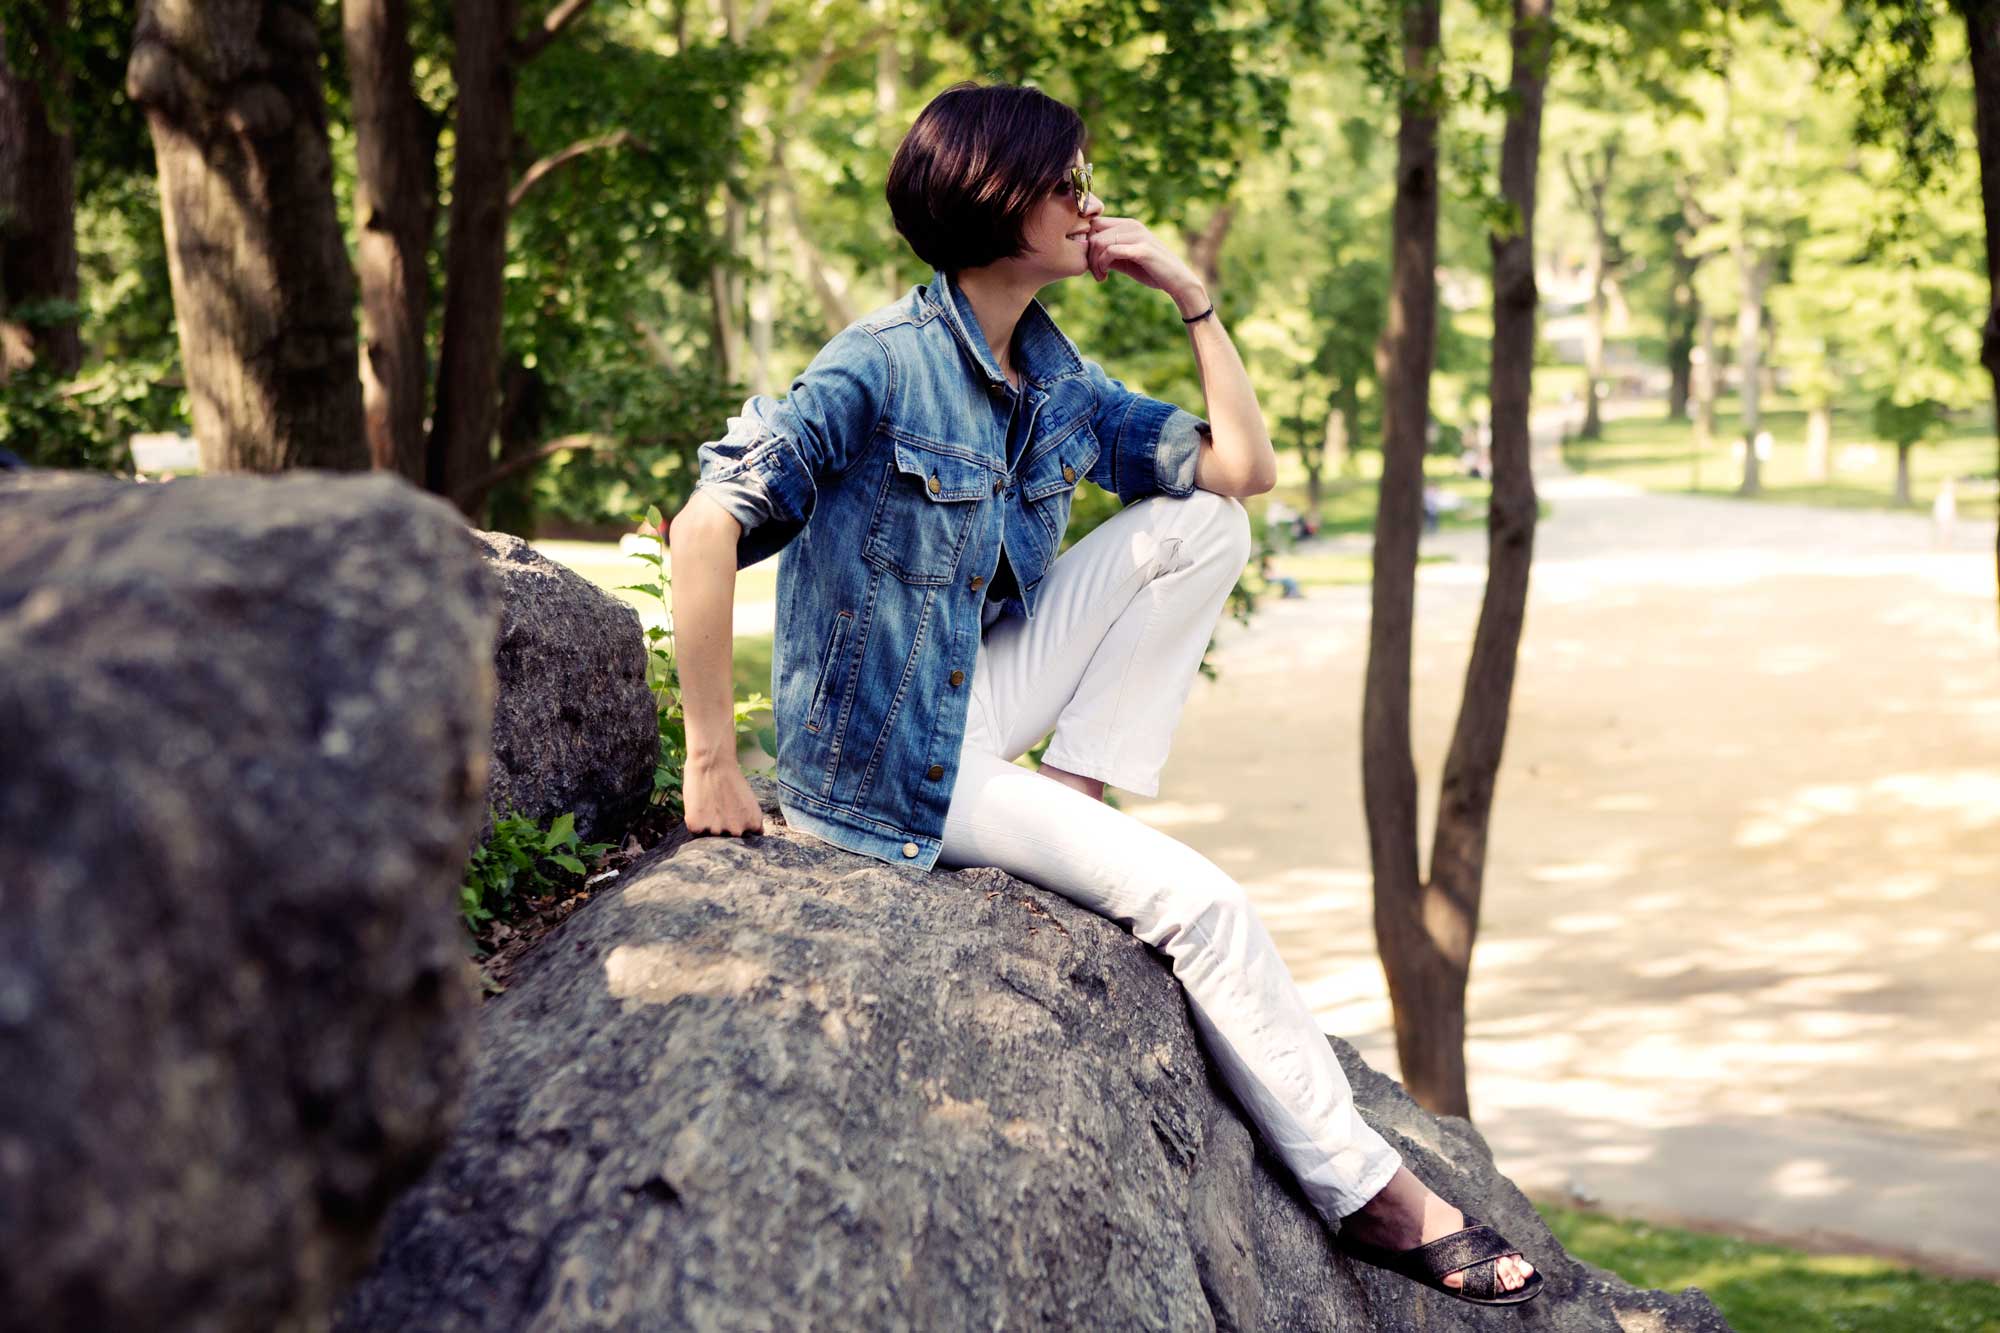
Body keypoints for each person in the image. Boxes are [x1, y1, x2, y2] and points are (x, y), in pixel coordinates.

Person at [667, 80, 1540, 1307]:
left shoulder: (1052, 377)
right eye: (1069, 183)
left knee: (1206, 528)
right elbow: (703, 527)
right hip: (887, 766)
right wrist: (713, 762)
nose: (1090, 204)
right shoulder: (877, 366)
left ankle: (1070, 797)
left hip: (972, 703)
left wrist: (1192, 297)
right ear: (998, 202)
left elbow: (1242, 469)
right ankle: (1371, 1195)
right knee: (1203, 905)